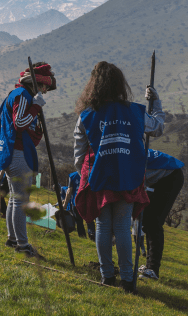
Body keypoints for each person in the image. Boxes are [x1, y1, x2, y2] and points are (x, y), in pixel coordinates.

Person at [73, 61, 164, 293]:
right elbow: (157, 128)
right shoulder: (134, 111)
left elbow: (78, 154)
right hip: (127, 175)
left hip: (99, 176)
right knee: (122, 226)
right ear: (119, 84)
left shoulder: (86, 115)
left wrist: (87, 176)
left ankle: (107, 276)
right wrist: (156, 103)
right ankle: (126, 279)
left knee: (103, 225)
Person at [0, 62, 56, 257]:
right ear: (37, 83)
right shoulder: (22, 95)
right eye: (44, 87)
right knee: (21, 201)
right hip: (17, 154)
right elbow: (20, 123)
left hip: (13, 153)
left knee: (15, 200)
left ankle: (12, 239)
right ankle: (22, 245)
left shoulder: (18, 95)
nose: (45, 91)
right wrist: (36, 108)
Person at [139, 149, 184, 280]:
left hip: (171, 175)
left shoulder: (126, 157)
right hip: (160, 178)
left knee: (154, 222)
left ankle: (153, 270)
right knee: (147, 222)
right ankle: (149, 266)